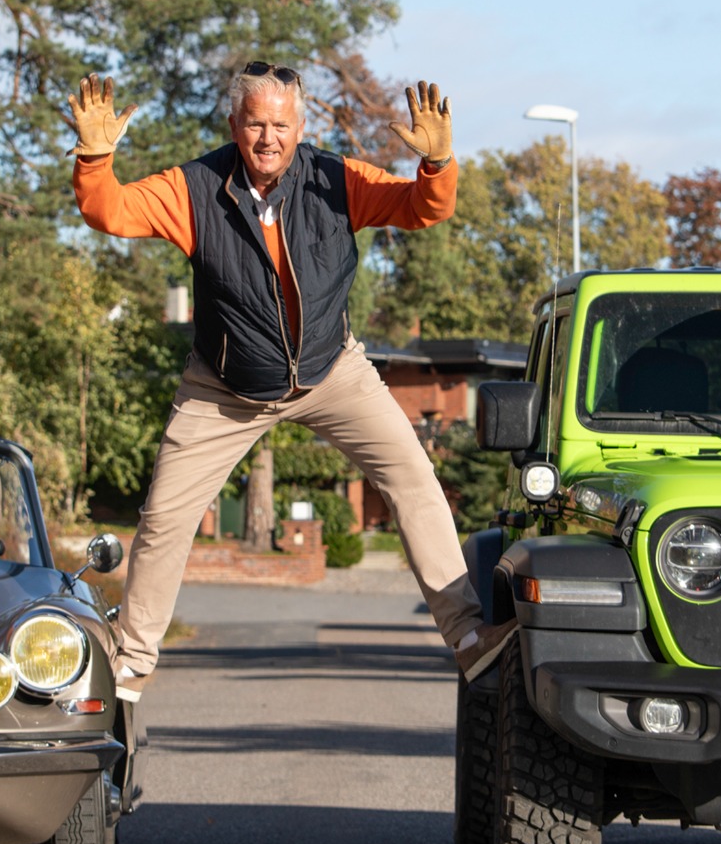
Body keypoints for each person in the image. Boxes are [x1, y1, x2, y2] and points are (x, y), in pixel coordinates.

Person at [65, 63, 512, 701]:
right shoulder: (194, 188)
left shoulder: (336, 179)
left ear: (300, 127)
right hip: (224, 389)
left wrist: (438, 165)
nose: (267, 137)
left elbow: (422, 209)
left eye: (280, 124)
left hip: (333, 371)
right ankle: (132, 663)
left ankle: (468, 638)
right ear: (234, 126)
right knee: (164, 518)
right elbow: (109, 210)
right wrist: (95, 156)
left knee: (413, 479)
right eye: (255, 124)